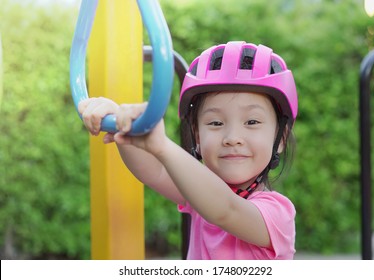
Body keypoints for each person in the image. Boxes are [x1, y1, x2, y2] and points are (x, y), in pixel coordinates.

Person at [78, 41, 298, 260]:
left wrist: (162, 145)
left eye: (251, 121)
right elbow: (154, 172)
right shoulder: (199, 193)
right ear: (197, 135)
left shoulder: (277, 215)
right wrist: (123, 125)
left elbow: (226, 210)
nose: (232, 138)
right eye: (215, 123)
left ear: (280, 139)